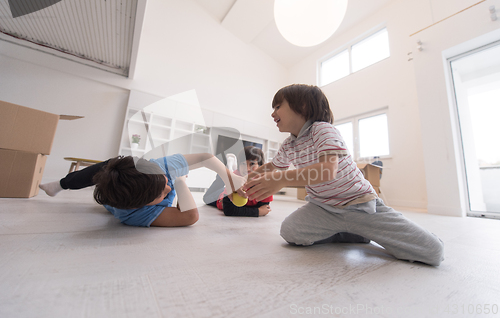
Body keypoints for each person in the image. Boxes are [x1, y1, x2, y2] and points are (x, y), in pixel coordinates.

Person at [243, 84, 444, 266]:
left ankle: (357, 228)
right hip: (322, 207)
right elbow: (273, 167)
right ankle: (349, 232)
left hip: (360, 206)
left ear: (302, 106)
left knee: (434, 252)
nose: (272, 113)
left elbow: (327, 170)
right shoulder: (289, 144)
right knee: (290, 231)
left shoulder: (322, 130)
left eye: (278, 106)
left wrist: (281, 180)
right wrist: (246, 179)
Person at [39, 153, 245, 227]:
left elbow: (204, 158)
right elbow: (189, 216)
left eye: (165, 181)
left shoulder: (161, 166)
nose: (168, 186)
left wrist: (231, 178)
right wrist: (181, 181)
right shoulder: (133, 214)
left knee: (112, 163)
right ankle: (62, 184)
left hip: (130, 174)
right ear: (144, 205)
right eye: (162, 194)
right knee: (103, 171)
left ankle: (60, 184)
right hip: (114, 199)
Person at [204, 146, 272, 217]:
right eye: (243, 164)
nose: (247, 168)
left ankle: (228, 172)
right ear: (239, 166)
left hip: (230, 187)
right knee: (206, 198)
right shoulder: (236, 179)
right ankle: (223, 175)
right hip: (220, 197)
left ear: (260, 166)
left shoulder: (265, 182)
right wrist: (258, 211)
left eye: (252, 164)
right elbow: (229, 210)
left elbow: (264, 207)